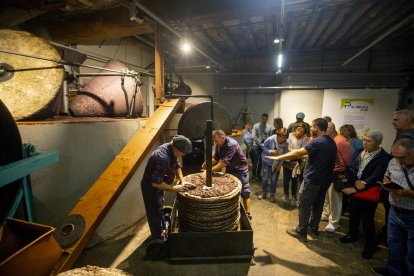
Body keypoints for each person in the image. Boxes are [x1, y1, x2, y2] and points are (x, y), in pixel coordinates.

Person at [267, 118, 337, 241]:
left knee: (304, 205)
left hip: (313, 181)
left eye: (311, 126)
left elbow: (297, 154)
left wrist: (278, 157)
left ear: (316, 127)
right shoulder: (331, 142)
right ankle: (314, 228)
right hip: (325, 181)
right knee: (318, 205)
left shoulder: (317, 142)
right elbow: (310, 154)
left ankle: (301, 231)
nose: (310, 128)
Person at [341, 131, 392, 259]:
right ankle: (352, 234)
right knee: (353, 214)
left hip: (368, 191)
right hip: (354, 188)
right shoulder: (359, 151)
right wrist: (356, 182)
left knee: (367, 219)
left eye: (369, 141)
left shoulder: (384, 157)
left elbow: (377, 174)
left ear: (378, 142)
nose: (365, 143)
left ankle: (370, 245)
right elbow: (350, 167)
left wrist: (363, 183)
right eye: (364, 140)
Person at [372, 137, 414, 276]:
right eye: (395, 156)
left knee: (412, 252)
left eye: (402, 157)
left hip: (412, 214)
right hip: (394, 211)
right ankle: (394, 271)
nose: (398, 161)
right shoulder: (393, 161)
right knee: (394, 244)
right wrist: (387, 183)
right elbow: (386, 176)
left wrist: (408, 193)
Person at [141, 135, 196, 241]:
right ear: (175, 148)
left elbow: (177, 165)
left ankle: (160, 228)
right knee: (154, 212)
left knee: (159, 206)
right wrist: (174, 188)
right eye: (182, 152)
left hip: (159, 184)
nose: (184, 155)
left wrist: (182, 180)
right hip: (151, 188)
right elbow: (155, 183)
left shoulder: (171, 148)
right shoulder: (161, 157)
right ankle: (158, 238)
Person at [202, 129, 252, 219]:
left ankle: (247, 213)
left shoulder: (231, 144)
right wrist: (208, 163)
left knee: (245, 191)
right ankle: (232, 209)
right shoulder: (219, 144)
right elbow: (216, 158)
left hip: (240, 169)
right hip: (231, 168)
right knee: (230, 188)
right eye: (214, 141)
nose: (215, 143)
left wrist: (209, 171)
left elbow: (223, 163)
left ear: (223, 137)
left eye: (216, 140)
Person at [323, 122, 352, 233]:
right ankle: (326, 214)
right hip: (328, 172)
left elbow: (347, 161)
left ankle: (333, 222)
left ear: (331, 130)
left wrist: (338, 169)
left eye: (325, 129)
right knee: (327, 196)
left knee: (335, 199)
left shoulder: (341, 141)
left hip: (337, 174)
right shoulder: (330, 140)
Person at [259, 128, 288, 202]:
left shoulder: (286, 144)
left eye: (284, 137)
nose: (281, 138)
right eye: (280, 136)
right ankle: (263, 192)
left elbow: (284, 155)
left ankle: (272, 195)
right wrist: (270, 151)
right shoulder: (271, 139)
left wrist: (280, 165)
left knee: (274, 180)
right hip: (266, 161)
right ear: (277, 135)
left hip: (276, 163)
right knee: (265, 178)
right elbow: (263, 146)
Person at [283, 123, 307, 204]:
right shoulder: (289, 135)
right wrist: (297, 152)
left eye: (302, 132)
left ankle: (294, 196)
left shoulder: (304, 137)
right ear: (295, 129)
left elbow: (304, 149)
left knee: (295, 179)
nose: (300, 133)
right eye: (299, 130)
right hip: (288, 160)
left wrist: (296, 153)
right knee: (286, 179)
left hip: (297, 161)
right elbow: (287, 148)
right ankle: (286, 195)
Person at [251, 113, 273, 181]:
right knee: (255, 161)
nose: (264, 120)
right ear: (261, 118)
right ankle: (254, 175)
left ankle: (258, 175)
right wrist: (260, 143)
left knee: (261, 162)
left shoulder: (269, 127)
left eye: (266, 119)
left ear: (267, 119)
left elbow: (271, 137)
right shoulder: (256, 126)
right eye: (263, 119)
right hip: (256, 146)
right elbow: (253, 136)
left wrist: (267, 140)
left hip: (264, 147)